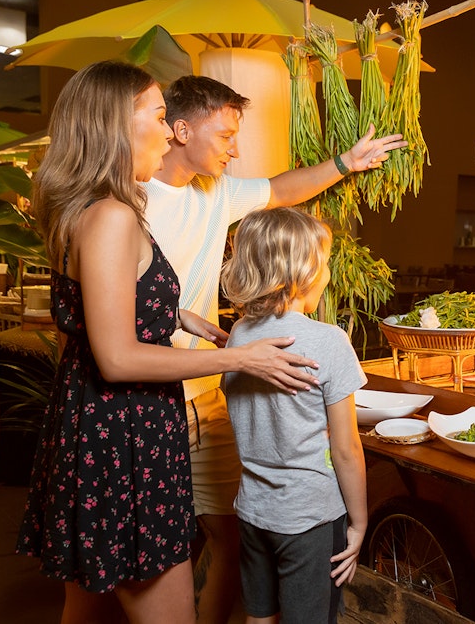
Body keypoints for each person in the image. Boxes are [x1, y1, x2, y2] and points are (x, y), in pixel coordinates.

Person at [15, 61, 302, 624]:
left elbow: (106, 301)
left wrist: (181, 316)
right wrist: (242, 357)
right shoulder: (114, 216)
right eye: (159, 114)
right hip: (126, 437)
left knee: (88, 605)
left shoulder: (90, 209)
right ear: (118, 125)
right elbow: (117, 358)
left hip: (93, 428)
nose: (171, 128)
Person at [143, 74, 403, 623]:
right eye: (225, 136)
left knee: (230, 535)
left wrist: (346, 162)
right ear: (180, 129)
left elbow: (282, 190)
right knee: (145, 548)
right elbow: (345, 448)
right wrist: (359, 519)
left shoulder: (217, 194)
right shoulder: (130, 202)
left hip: (209, 391)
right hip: (146, 396)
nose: (234, 149)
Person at [220, 207, 367, 624]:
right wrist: (359, 522)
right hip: (309, 518)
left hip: (252, 510)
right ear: (304, 271)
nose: (326, 274)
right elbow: (346, 449)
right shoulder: (329, 342)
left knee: (259, 616)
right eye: (324, 263)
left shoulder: (240, 335)